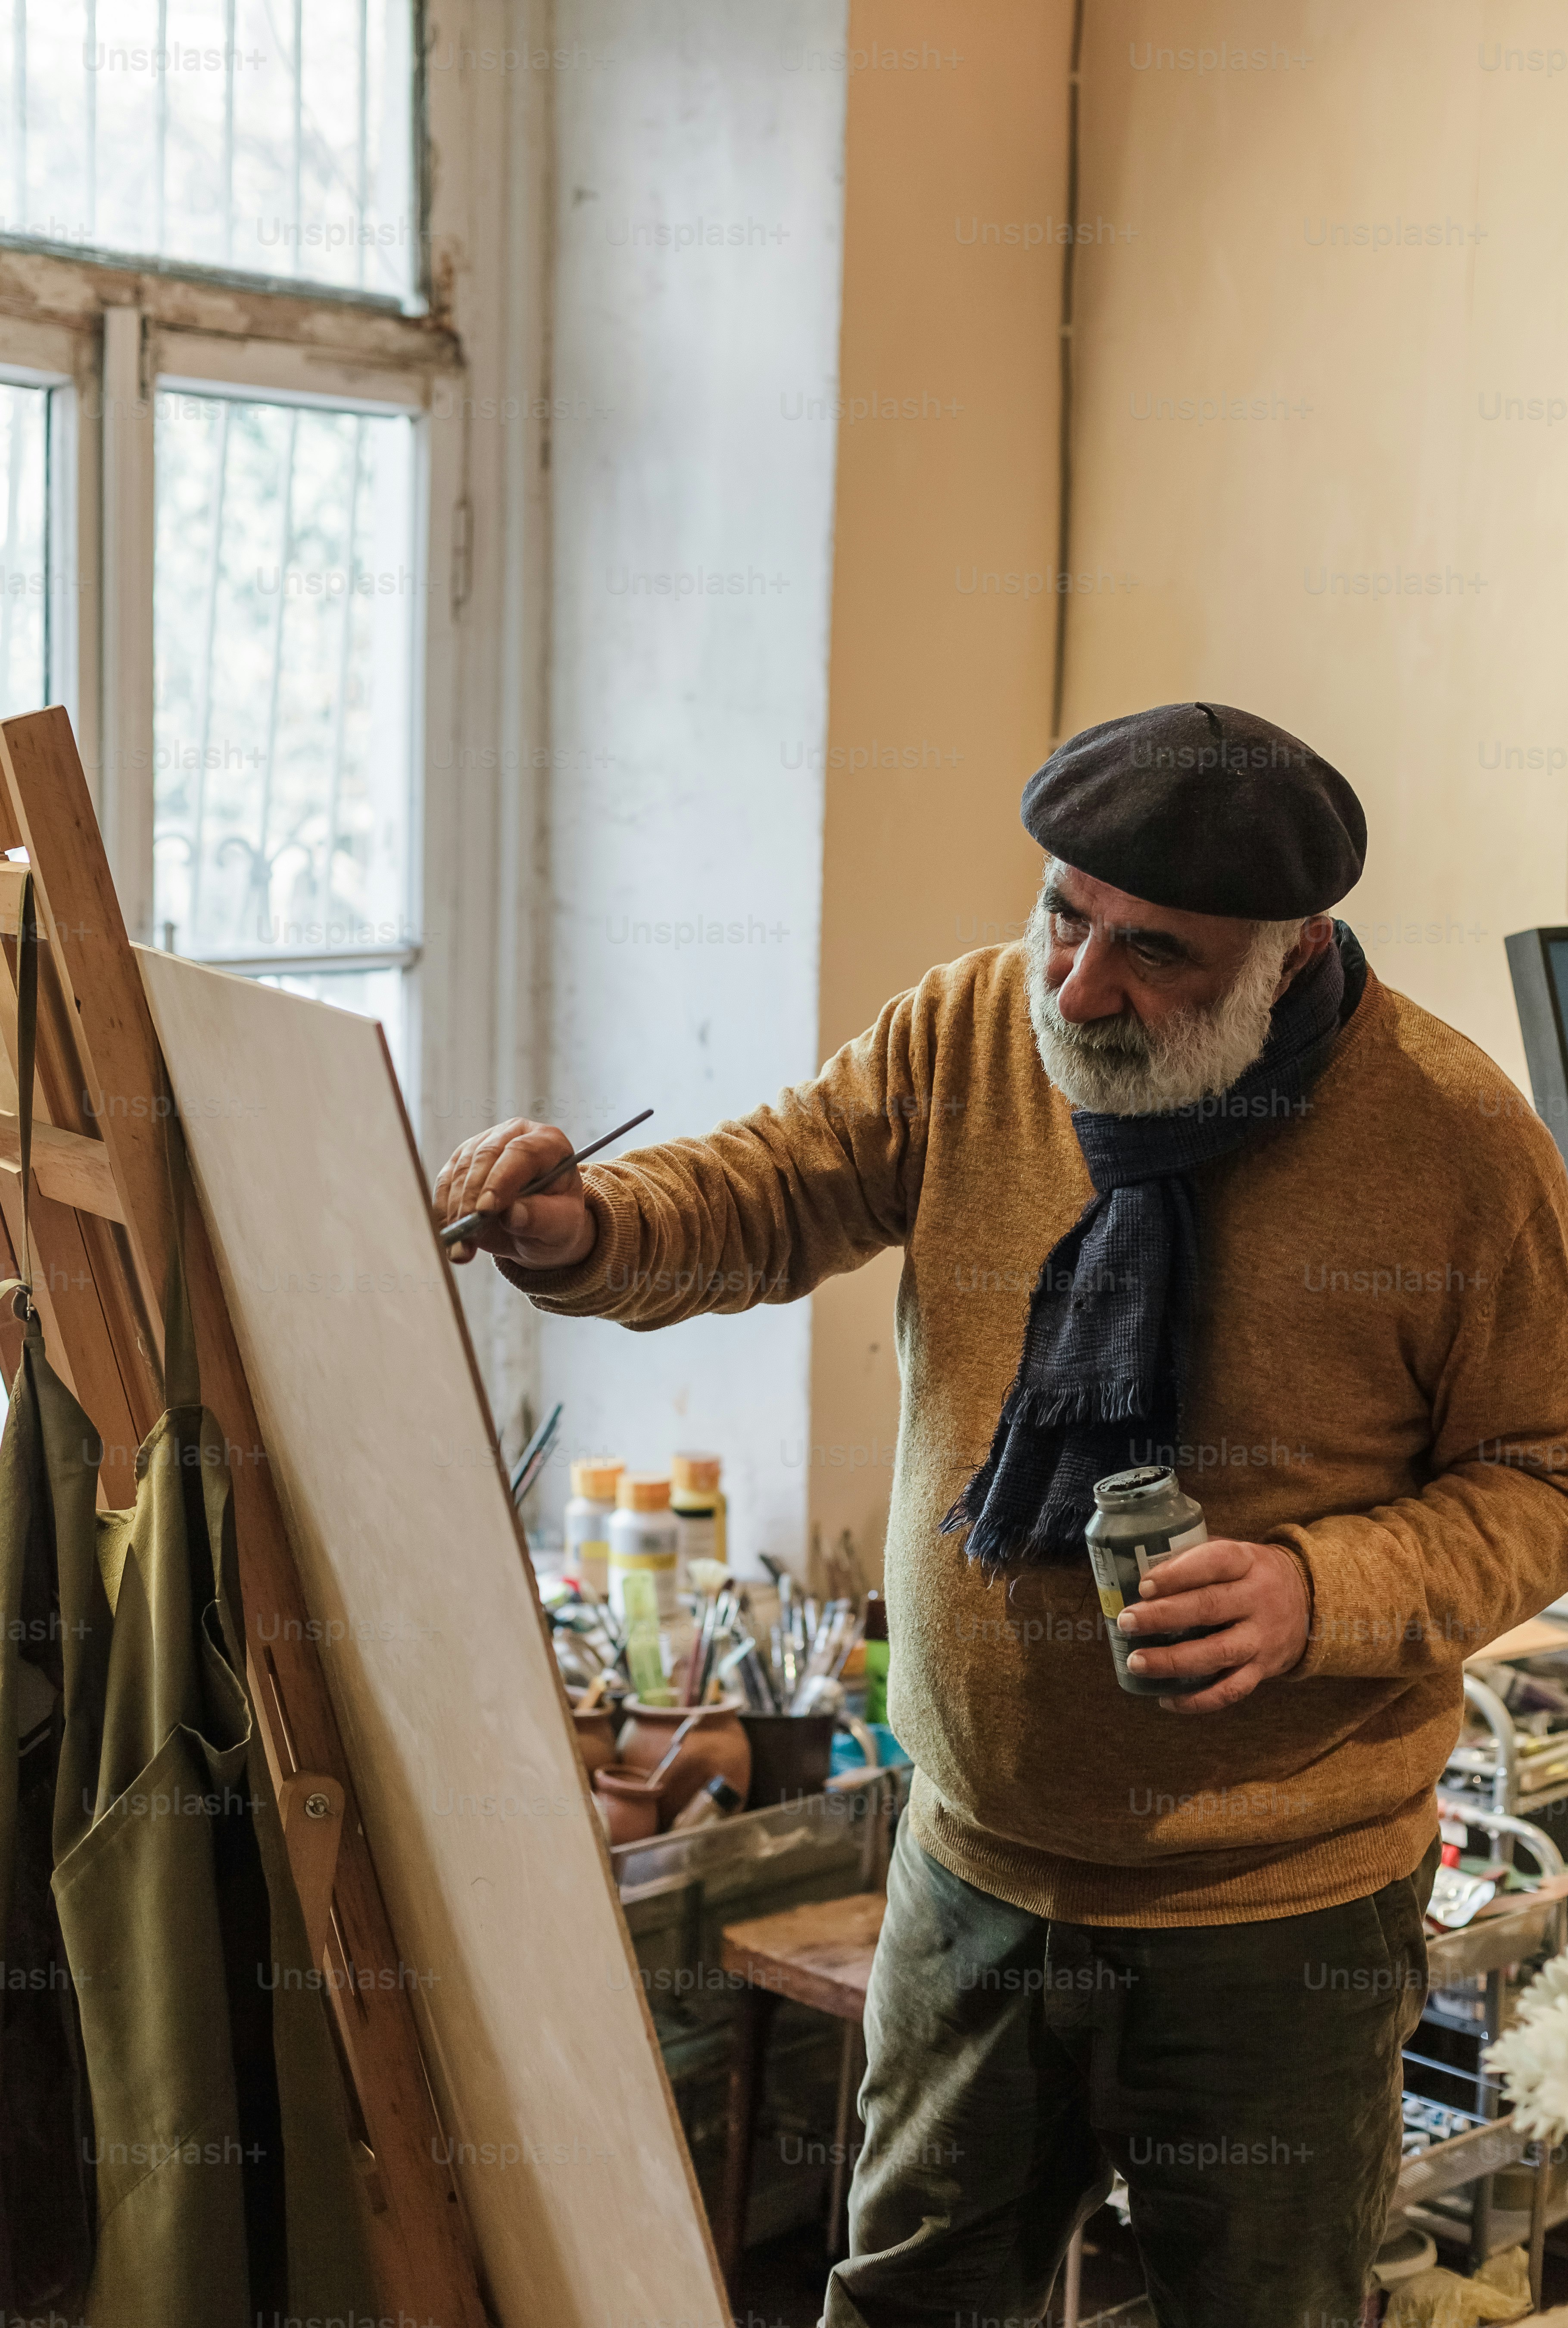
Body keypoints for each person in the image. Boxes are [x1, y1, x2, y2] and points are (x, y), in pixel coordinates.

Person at [435, 701, 1568, 2326]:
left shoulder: (1457, 1142)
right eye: (1063, 914)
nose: (1080, 985)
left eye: (1155, 953)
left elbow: (1544, 1471)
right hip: (975, 1868)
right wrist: (591, 1225)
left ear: (1295, 949)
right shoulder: (973, 1030)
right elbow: (769, 1187)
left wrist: (1322, 1591)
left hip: (1279, 1923)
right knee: (908, 2304)